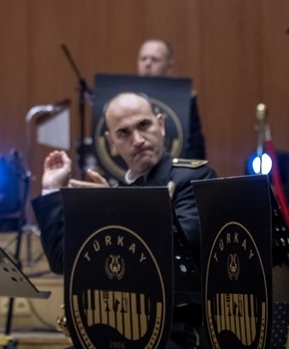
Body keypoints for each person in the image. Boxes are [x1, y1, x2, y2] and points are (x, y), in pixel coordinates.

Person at [32, 91, 216, 349]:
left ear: (161, 125)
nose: (138, 140)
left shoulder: (193, 177)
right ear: (110, 142)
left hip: (174, 332)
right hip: (112, 327)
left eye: (144, 125)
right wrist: (52, 190)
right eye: (124, 133)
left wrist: (115, 206)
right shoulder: (110, 191)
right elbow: (63, 260)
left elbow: (185, 250)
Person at [136, 38, 207, 160]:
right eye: (143, 58)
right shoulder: (124, 99)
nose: (147, 63)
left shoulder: (184, 98)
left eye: (155, 59)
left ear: (170, 65)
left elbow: (196, 147)